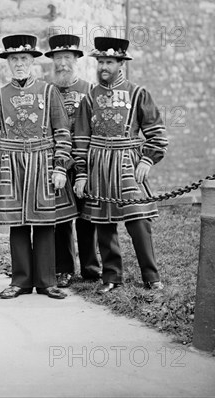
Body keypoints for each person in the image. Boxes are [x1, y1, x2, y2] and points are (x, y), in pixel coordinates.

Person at [0, 34, 76, 300]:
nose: (19, 63)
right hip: (10, 164)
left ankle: (46, 281)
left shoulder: (48, 91)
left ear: (32, 61)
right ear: (7, 63)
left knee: (45, 223)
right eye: (14, 59)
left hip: (43, 162)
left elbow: (63, 133)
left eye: (23, 58)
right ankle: (20, 281)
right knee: (17, 224)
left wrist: (60, 167)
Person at [73, 37, 168, 294]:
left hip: (128, 162)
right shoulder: (89, 98)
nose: (104, 66)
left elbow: (157, 133)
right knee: (104, 224)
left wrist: (147, 159)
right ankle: (112, 276)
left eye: (109, 62)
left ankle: (151, 275)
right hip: (99, 165)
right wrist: (81, 174)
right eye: (101, 62)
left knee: (138, 220)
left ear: (120, 64)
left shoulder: (138, 94)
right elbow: (80, 139)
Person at [44, 34, 101, 287]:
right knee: (60, 218)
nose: (62, 63)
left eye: (67, 57)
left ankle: (90, 267)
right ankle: (64, 269)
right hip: (56, 162)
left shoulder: (89, 90)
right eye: (58, 58)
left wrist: (86, 164)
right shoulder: (46, 91)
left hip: (84, 160)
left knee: (87, 216)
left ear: (76, 60)